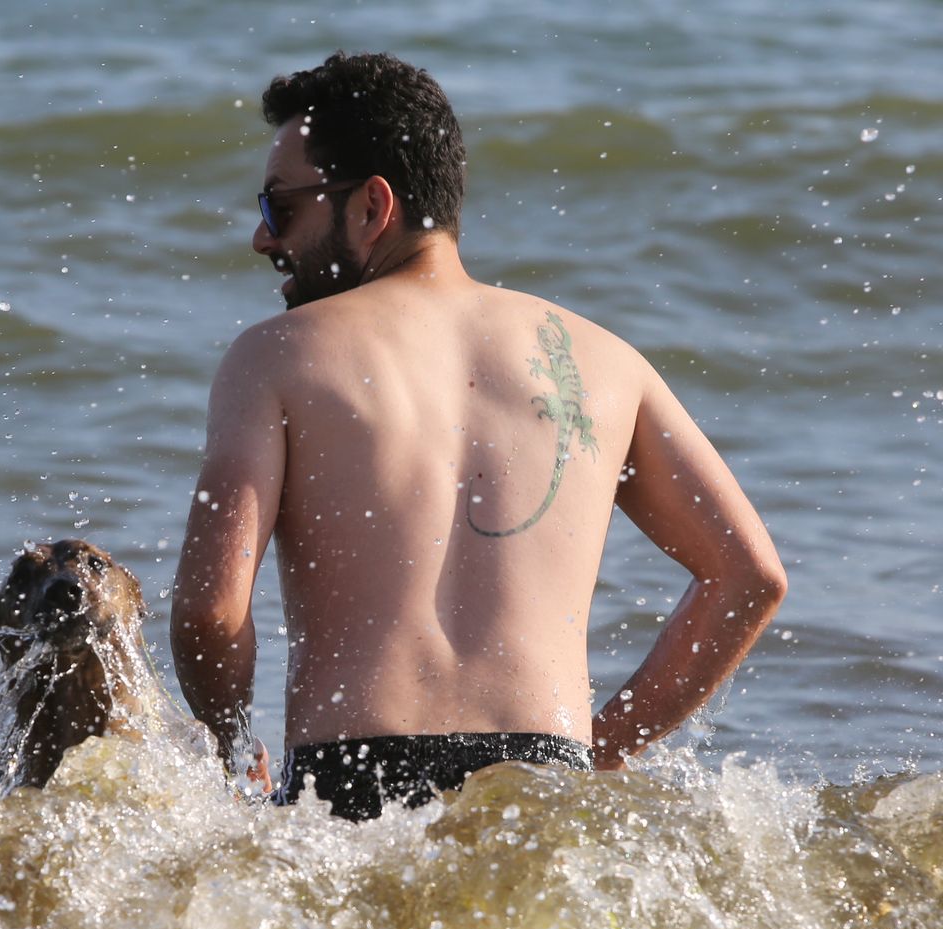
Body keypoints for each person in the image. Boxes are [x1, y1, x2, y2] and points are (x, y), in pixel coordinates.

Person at [170, 53, 787, 821]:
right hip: (543, 786)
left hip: (358, 781)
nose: (263, 240)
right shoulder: (605, 361)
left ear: (371, 206)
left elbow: (208, 611)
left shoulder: (277, 354)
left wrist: (230, 753)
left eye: (279, 207)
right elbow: (749, 578)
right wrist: (603, 753)